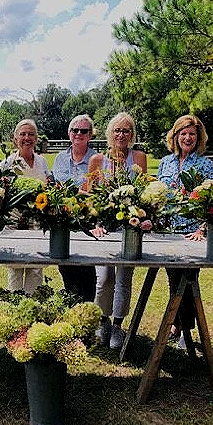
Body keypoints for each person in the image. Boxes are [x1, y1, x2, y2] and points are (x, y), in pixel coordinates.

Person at [85, 112, 147, 349]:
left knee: (123, 279)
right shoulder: (98, 161)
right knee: (104, 278)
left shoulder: (138, 158)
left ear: (132, 135)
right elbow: (90, 197)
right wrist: (95, 224)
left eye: (126, 131)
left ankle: (118, 326)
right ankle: (103, 321)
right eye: (117, 130)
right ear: (110, 133)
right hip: (104, 229)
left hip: (129, 228)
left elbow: (144, 192)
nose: (121, 135)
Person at [157, 114, 213, 349]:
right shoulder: (165, 162)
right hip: (169, 229)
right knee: (172, 277)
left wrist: (202, 229)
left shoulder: (205, 164)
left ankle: (186, 329)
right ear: (176, 136)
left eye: (192, 134)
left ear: (198, 137)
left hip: (193, 231)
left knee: (190, 279)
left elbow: (211, 200)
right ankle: (178, 324)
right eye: (183, 133)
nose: (188, 137)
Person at [0, 119, 51, 294]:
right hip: (14, 222)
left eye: (31, 134)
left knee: (36, 267)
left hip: (38, 221)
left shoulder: (42, 162)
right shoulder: (7, 163)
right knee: (15, 268)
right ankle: (15, 308)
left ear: (36, 139)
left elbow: (49, 187)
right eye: (22, 134)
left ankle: (33, 307)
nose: (26, 138)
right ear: (15, 139)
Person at [52, 114, 98, 302]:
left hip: (87, 221)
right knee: (66, 268)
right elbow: (56, 188)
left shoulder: (97, 159)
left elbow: (96, 193)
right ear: (69, 133)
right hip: (64, 221)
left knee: (87, 269)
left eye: (84, 131)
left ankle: (87, 311)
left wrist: (76, 193)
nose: (79, 133)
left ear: (90, 135)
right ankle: (72, 310)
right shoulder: (60, 158)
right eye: (75, 130)